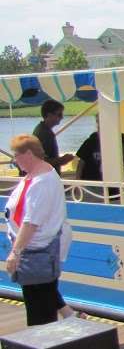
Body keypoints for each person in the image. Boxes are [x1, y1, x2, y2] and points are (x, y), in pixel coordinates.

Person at [5, 134, 76, 324]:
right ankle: (67, 315)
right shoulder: (34, 176)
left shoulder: (42, 181)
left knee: (40, 306)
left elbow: (31, 222)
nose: (15, 161)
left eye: (16, 156)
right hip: (34, 251)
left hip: (38, 251)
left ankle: (46, 342)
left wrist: (15, 252)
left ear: (28, 154)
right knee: (40, 296)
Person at [32, 100, 75, 172]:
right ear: (49, 115)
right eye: (59, 114)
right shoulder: (44, 133)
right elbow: (40, 161)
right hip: (46, 176)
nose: (62, 117)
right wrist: (62, 160)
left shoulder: (42, 130)